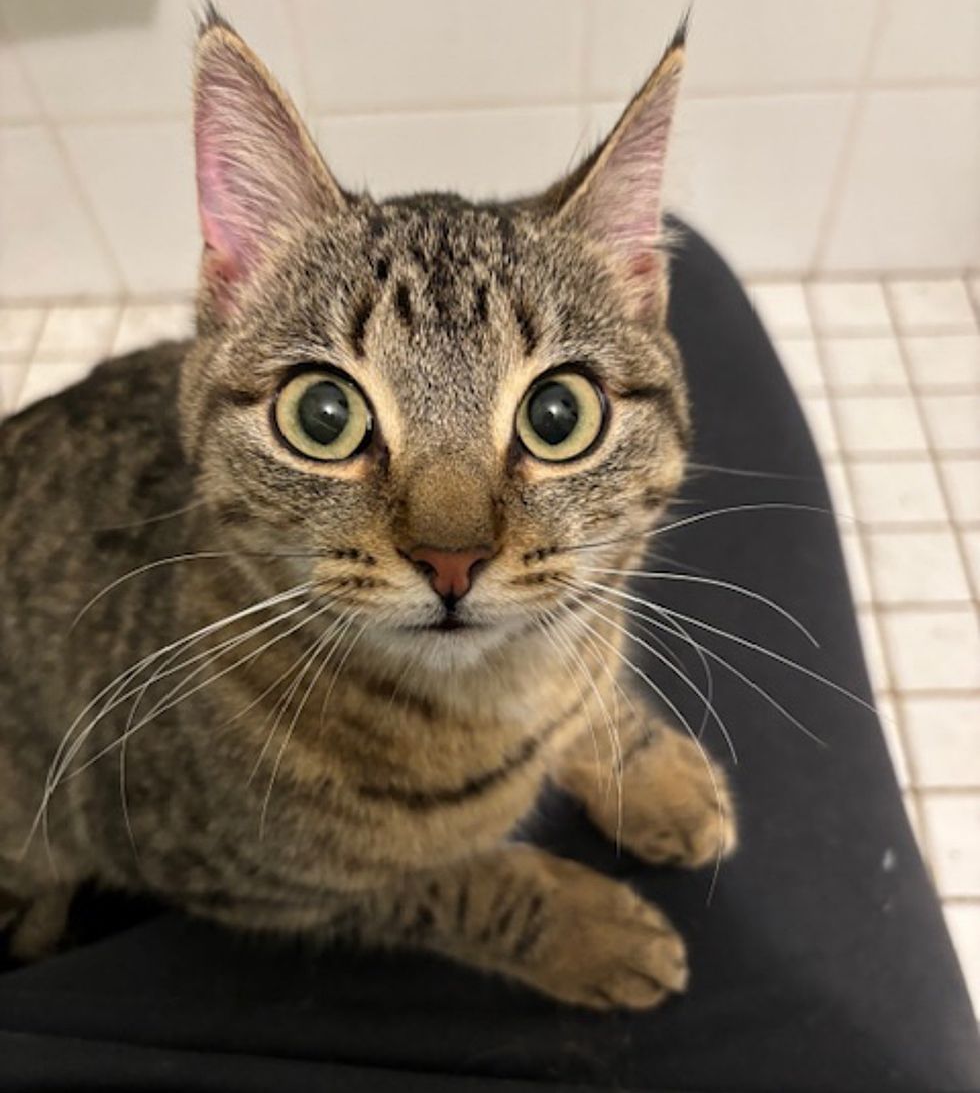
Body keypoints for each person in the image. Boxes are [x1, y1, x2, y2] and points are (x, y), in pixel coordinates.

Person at [2, 222, 977, 1092]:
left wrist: (608, 734)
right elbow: (206, 873)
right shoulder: (229, 710)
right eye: (325, 414)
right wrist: (499, 914)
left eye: (554, 416)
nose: (451, 544)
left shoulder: (571, 601)